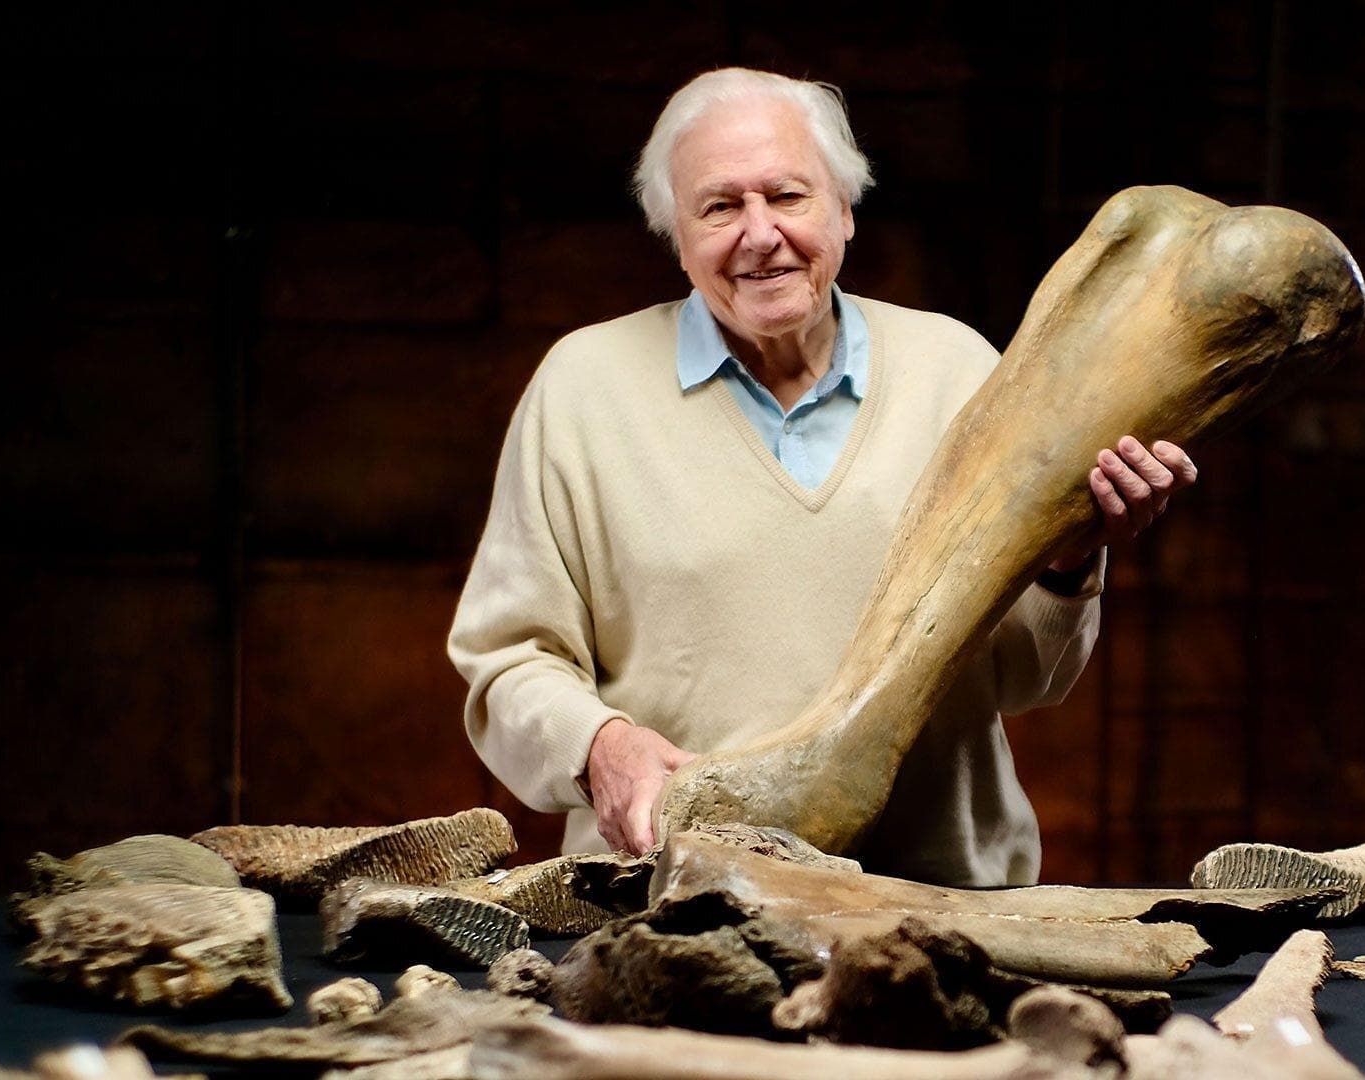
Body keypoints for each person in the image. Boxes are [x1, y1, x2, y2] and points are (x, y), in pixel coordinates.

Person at [448, 67, 1196, 887]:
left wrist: (1066, 562)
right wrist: (598, 749)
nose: (759, 234)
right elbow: (508, 659)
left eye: (787, 196)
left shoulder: (959, 370)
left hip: (942, 903)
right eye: (720, 206)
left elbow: (1025, 679)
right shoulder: (583, 388)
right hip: (664, 904)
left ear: (843, 207)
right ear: (676, 234)